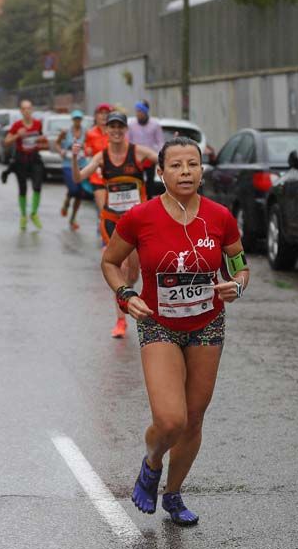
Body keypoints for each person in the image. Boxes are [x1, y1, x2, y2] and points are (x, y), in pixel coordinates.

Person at [101, 136, 249, 525]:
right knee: (171, 420)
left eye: (193, 165)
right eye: (177, 165)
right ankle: (152, 462)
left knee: (194, 418)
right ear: (161, 172)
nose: (185, 172)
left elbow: (239, 265)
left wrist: (238, 285)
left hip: (207, 324)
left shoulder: (220, 217)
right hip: (158, 323)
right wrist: (125, 296)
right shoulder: (139, 217)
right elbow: (110, 262)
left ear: (202, 171)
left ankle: (173, 493)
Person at [73, 111, 158, 338]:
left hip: (138, 221)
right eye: (112, 127)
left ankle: (129, 295)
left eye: (120, 127)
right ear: (107, 130)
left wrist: (175, 150)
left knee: (133, 273)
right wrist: (74, 159)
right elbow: (79, 178)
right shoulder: (102, 157)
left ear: (125, 130)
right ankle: (120, 321)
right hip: (113, 221)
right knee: (118, 270)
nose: (117, 131)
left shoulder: (137, 153)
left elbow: (163, 159)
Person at [4, 99, 48, 231]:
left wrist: (41, 141)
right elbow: (6, 142)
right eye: (24, 109)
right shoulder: (17, 125)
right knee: (22, 188)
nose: (27, 111)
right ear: (21, 111)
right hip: (21, 158)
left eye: (29, 108)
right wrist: (18, 135)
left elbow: (42, 141)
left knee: (37, 185)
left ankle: (33, 213)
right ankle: (23, 215)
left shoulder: (38, 124)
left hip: (34, 158)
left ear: (32, 109)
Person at [54, 109, 90, 231]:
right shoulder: (66, 132)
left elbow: (90, 146)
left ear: (81, 120)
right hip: (68, 164)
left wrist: (87, 150)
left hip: (82, 164)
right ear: (72, 120)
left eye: (79, 119)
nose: (77, 121)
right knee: (73, 189)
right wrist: (61, 151)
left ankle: (73, 218)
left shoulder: (86, 132)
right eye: (75, 119)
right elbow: (57, 143)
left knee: (80, 193)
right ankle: (66, 202)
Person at [128, 100, 165, 197]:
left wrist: (158, 155)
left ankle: (149, 201)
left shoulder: (155, 124)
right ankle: (137, 201)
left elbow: (160, 141)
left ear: (145, 111)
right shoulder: (131, 125)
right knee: (136, 180)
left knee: (150, 182)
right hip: (136, 158)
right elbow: (128, 141)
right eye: (137, 111)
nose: (138, 113)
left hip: (150, 158)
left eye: (140, 111)